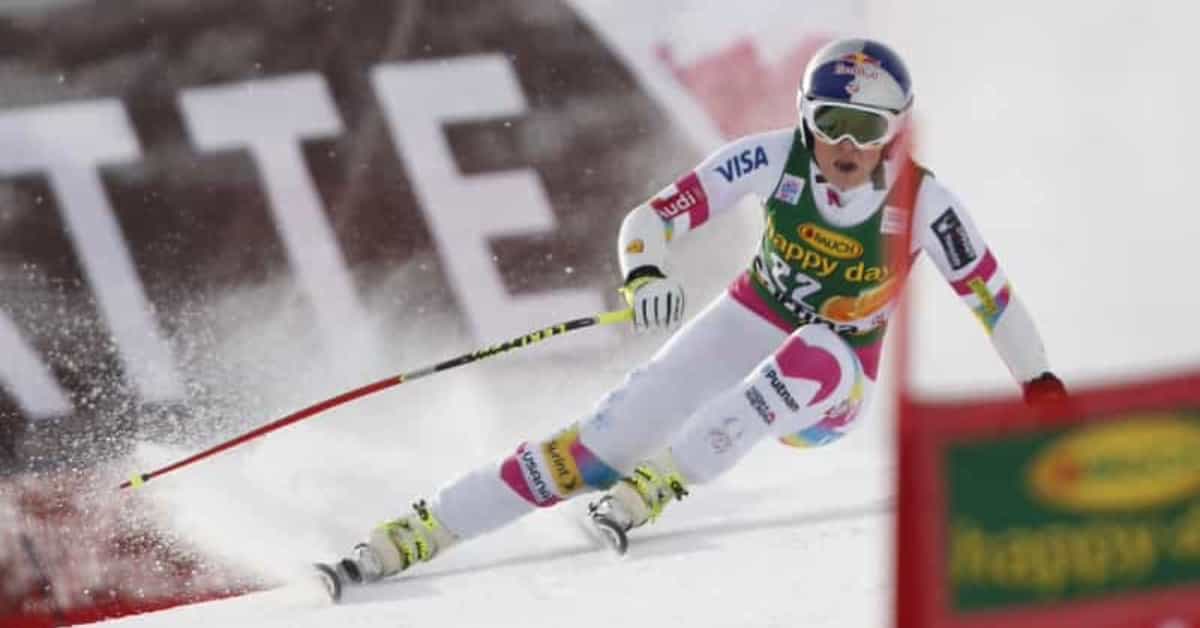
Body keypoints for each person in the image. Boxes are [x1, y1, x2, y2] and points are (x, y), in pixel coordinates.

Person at [323, 37, 1067, 589]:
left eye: (866, 129)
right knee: (596, 447)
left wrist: (1040, 386)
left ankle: (659, 486)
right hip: (748, 317)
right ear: (807, 118)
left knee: (813, 348)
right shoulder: (771, 158)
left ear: (895, 132)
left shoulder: (926, 203)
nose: (845, 144)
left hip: (834, 382)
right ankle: (415, 532)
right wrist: (645, 273)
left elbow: (992, 302)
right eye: (832, 121)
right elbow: (652, 219)